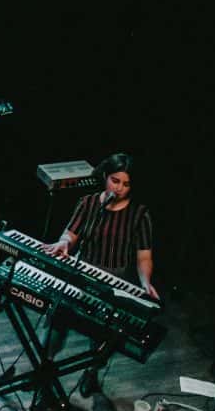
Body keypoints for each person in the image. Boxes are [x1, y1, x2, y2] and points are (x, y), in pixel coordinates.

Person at [43, 152, 159, 397]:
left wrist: (145, 282)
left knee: (102, 334)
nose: (119, 188)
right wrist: (64, 243)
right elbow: (70, 234)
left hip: (114, 280)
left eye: (126, 184)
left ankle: (92, 372)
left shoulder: (140, 214)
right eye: (115, 181)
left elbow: (144, 256)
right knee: (56, 321)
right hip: (82, 271)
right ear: (105, 177)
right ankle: (45, 367)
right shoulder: (87, 203)